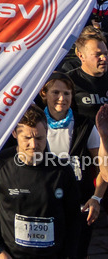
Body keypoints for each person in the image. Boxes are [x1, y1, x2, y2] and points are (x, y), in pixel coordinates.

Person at [0, 106, 82, 258]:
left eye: (39, 138)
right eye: (27, 138)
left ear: (47, 133)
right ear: (14, 133)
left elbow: (74, 217)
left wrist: (69, 254)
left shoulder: (62, 170)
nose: (33, 145)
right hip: (12, 255)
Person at [40, 72, 105, 256]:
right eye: (56, 93)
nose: (62, 98)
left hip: (78, 206)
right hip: (44, 207)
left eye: (67, 93)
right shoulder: (34, 124)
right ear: (43, 93)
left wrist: (96, 198)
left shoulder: (85, 125)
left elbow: (103, 167)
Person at [69, 29, 108, 122]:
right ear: (81, 56)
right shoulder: (69, 81)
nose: (104, 58)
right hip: (86, 135)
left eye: (106, 53)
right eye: (98, 54)